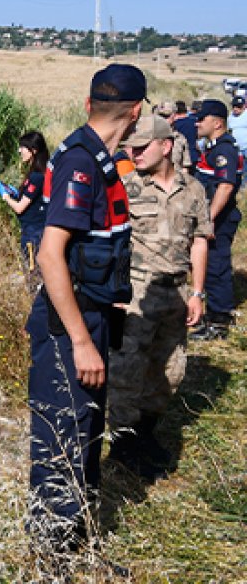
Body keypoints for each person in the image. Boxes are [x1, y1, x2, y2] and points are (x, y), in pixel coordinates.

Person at [26, 63, 143, 558]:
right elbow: (50, 254)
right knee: (62, 440)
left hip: (92, 316)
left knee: (86, 434)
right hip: (69, 323)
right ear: (136, 112)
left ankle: (77, 544)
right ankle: (52, 559)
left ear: (89, 103)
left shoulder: (98, 159)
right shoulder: (81, 163)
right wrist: (79, 340)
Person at [108, 115, 211, 479]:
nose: (133, 153)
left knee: (170, 370)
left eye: (141, 147)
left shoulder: (194, 190)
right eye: (130, 147)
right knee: (126, 371)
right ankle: (121, 447)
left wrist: (197, 291)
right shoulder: (125, 187)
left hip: (177, 293)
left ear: (166, 146)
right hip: (136, 294)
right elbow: (111, 244)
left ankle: (145, 436)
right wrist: (114, 291)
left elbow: (199, 241)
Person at [191, 99, 242, 340]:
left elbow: (225, 187)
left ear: (218, 122)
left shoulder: (224, 150)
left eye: (203, 118)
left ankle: (219, 321)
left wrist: (207, 219)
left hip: (219, 219)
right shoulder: (212, 148)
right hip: (213, 217)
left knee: (216, 266)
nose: (197, 122)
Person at [0, 131, 51, 274]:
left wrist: (5, 197)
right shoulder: (39, 172)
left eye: (23, 147)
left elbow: (19, 208)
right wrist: (16, 193)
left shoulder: (37, 176)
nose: (19, 150)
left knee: (33, 272)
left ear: (33, 150)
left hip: (34, 231)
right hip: (35, 228)